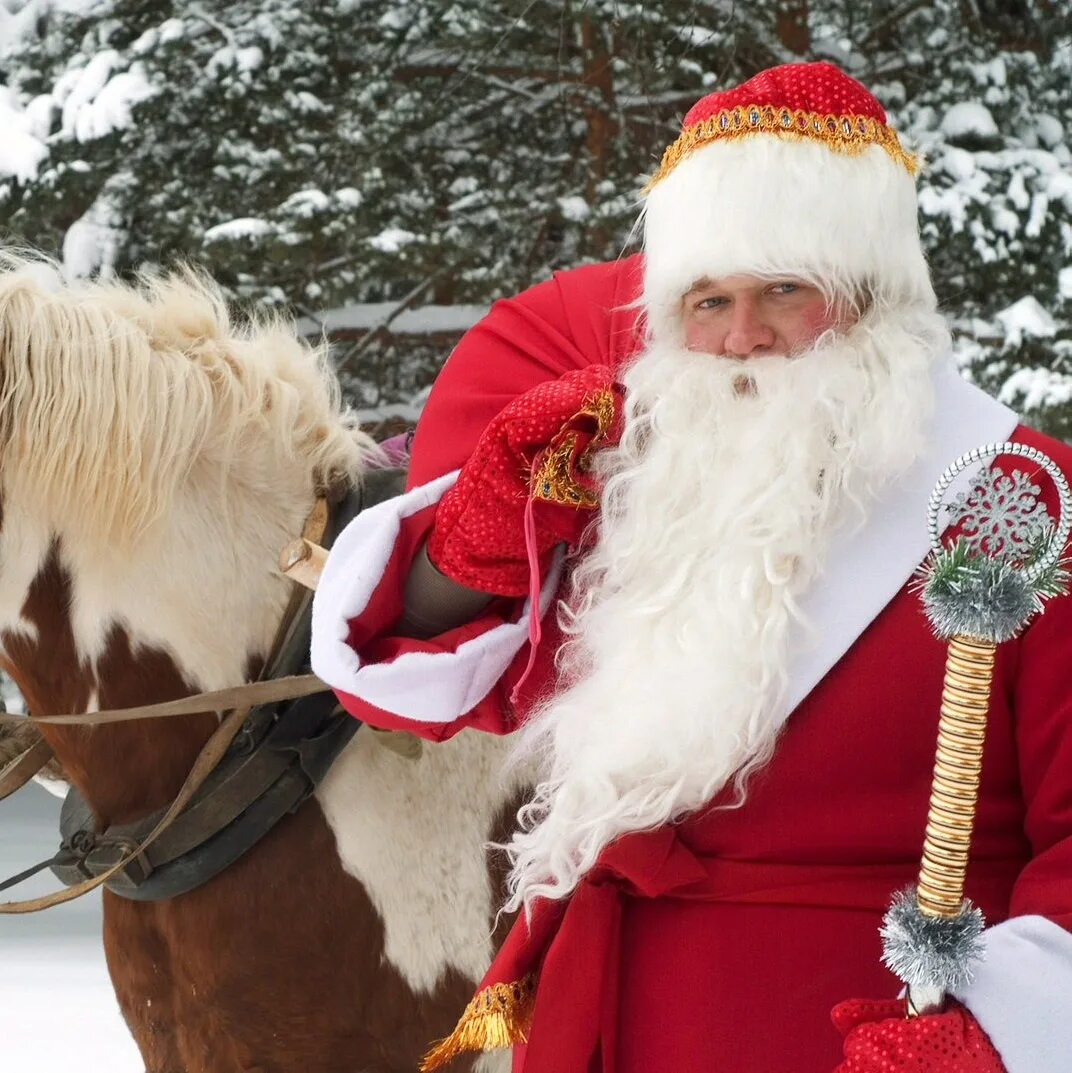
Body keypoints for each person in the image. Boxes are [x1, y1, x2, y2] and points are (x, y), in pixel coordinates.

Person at [310, 63, 1072, 1073]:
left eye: (784, 290)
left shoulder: (1018, 497)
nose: (741, 336)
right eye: (707, 300)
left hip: (864, 1031)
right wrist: (477, 534)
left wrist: (996, 1034)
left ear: (873, 295)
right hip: (611, 1022)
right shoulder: (652, 498)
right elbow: (417, 683)